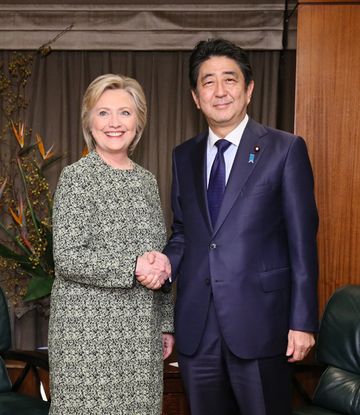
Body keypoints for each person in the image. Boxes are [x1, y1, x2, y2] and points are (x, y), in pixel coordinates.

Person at [163, 38, 319, 415]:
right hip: (197, 327)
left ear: (248, 90)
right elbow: (184, 231)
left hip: (262, 324)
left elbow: (303, 242)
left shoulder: (285, 149)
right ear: (195, 97)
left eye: (229, 80)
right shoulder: (183, 156)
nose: (220, 91)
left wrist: (302, 321)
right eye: (208, 82)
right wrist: (163, 264)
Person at [48, 73, 174, 415]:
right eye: (103, 113)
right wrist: (133, 265)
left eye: (125, 113)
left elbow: (158, 256)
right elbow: (68, 257)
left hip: (141, 338)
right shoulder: (76, 177)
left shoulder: (147, 181)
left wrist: (165, 324)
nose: (114, 123)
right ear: (89, 121)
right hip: (87, 339)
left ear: (138, 122)